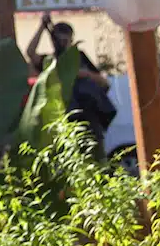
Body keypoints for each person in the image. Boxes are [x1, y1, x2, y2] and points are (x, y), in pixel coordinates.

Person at [24, 14, 116, 157]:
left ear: (71, 40)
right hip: (63, 120)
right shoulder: (51, 62)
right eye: (58, 40)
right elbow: (30, 52)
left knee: (95, 158)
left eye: (65, 40)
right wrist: (42, 27)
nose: (62, 44)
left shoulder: (79, 57)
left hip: (88, 118)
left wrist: (83, 74)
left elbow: (104, 82)